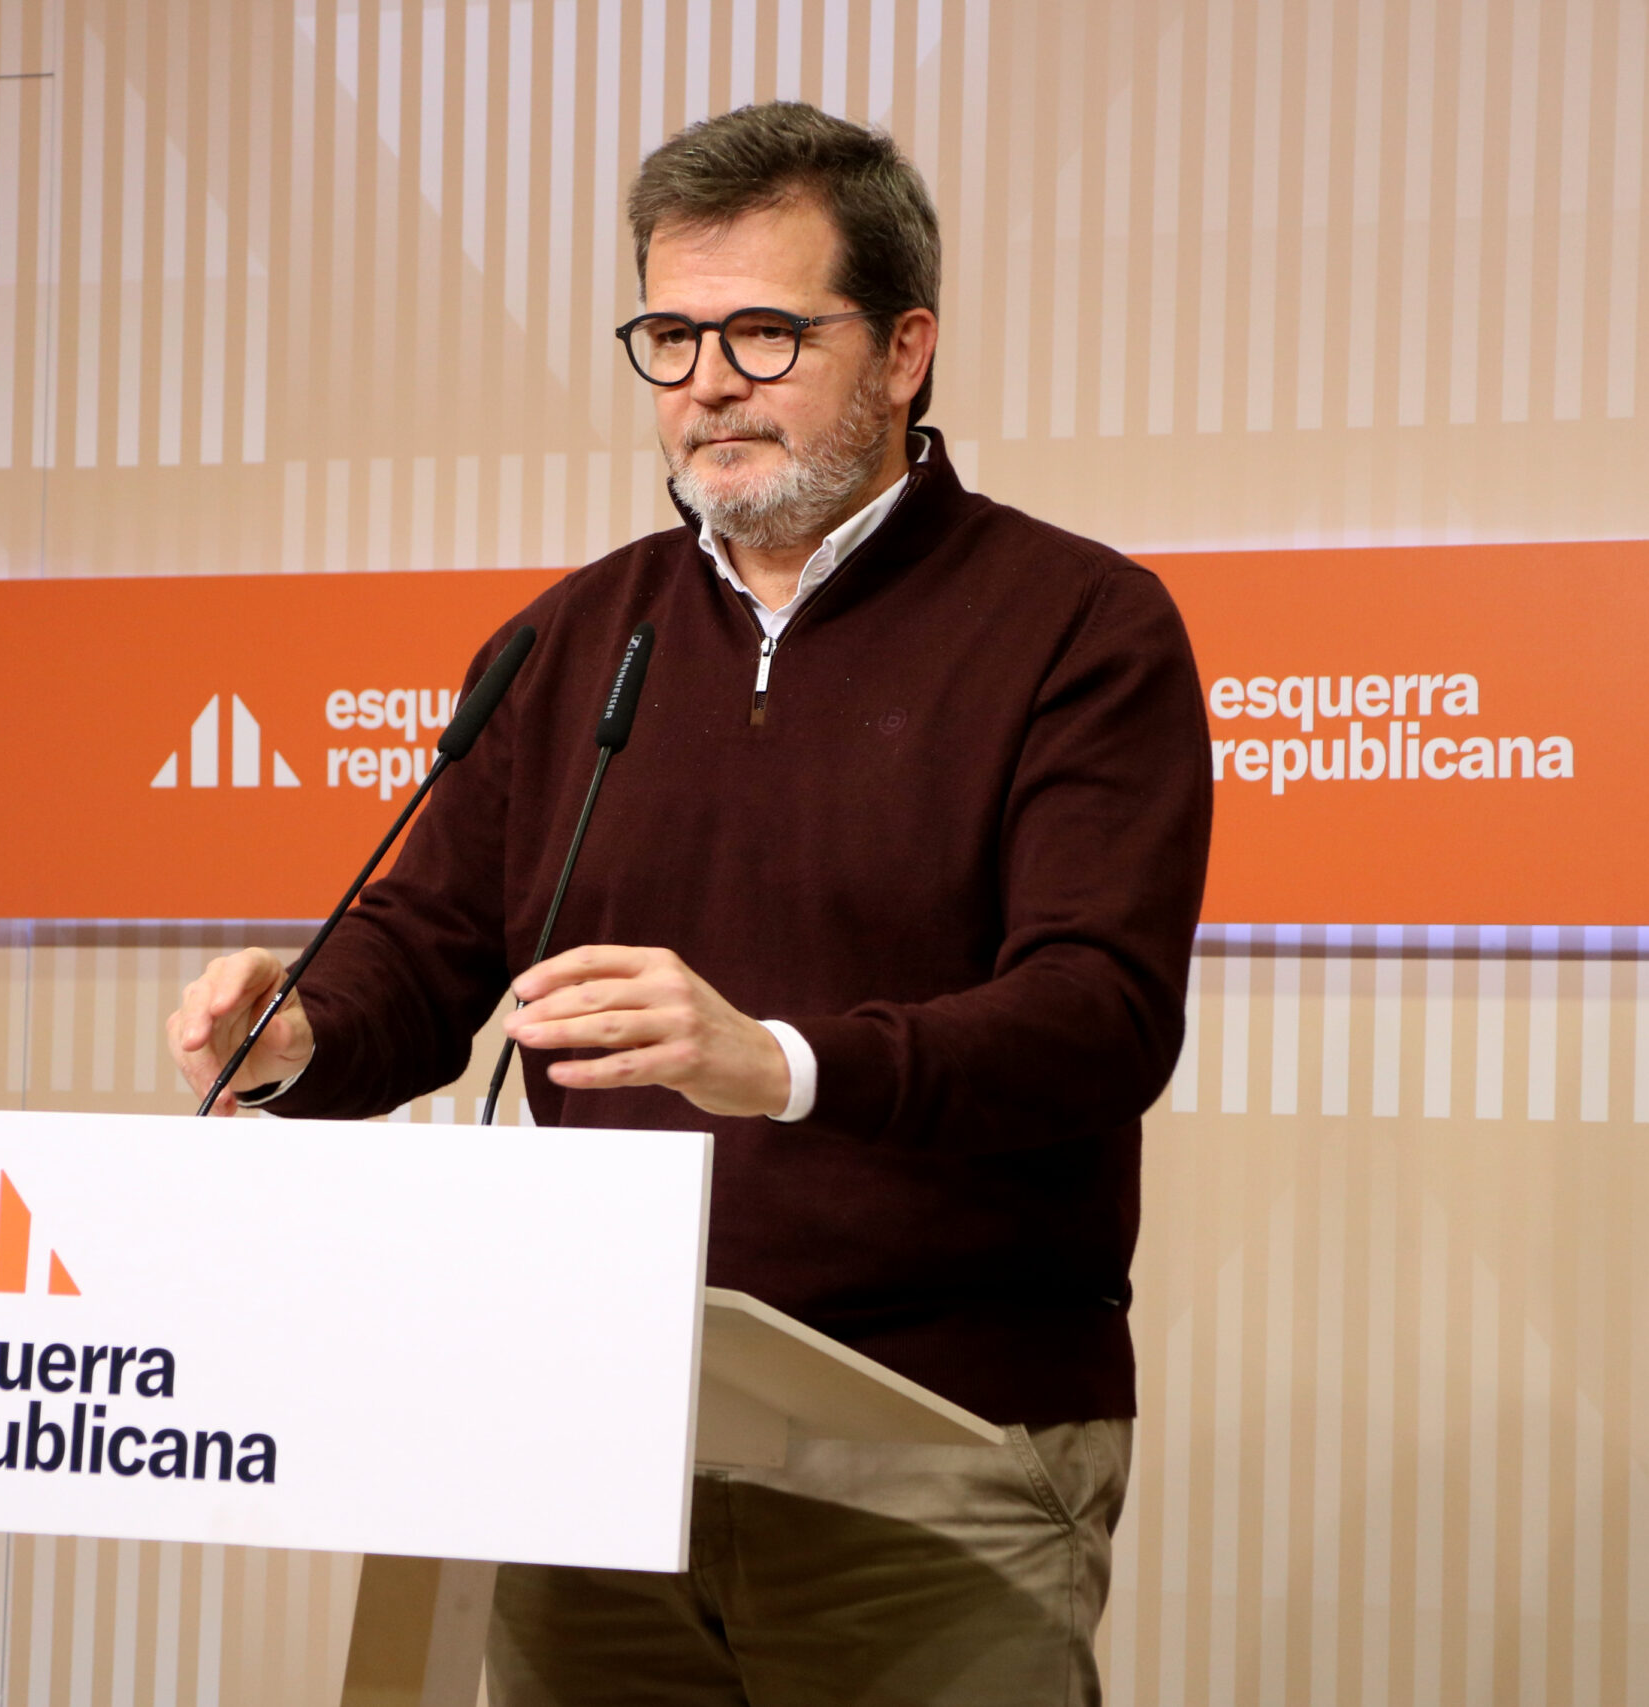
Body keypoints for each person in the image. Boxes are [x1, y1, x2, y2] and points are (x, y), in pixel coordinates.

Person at [169, 102, 1210, 1707]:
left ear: (905, 350)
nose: (709, 381)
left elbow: (1099, 1016)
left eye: (764, 334)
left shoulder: (1077, 624)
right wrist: (302, 1029)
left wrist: (774, 1061)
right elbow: (432, 949)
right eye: (670, 336)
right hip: (588, 1418)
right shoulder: (570, 638)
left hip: (932, 1433)